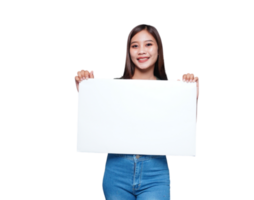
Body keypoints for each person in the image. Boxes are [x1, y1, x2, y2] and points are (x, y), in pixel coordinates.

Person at [73, 23, 201, 199]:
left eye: (148, 44)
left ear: (159, 49)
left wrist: (191, 96)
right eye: (135, 45)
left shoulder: (173, 90)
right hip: (116, 171)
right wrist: (85, 87)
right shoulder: (110, 88)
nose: (142, 51)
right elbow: (94, 122)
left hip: (155, 172)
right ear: (129, 51)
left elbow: (186, 131)